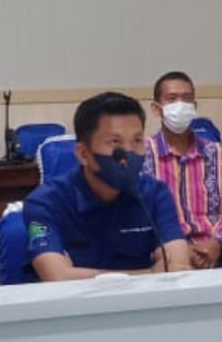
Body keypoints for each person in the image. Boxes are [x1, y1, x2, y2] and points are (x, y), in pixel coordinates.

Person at [23, 92, 191, 281]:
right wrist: (152, 273)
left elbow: (178, 269)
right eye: (115, 142)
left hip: (142, 299)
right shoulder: (43, 203)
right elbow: (58, 277)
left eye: (137, 140)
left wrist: (79, 275)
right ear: (83, 154)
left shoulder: (155, 194)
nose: (128, 152)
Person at [142, 71, 222, 269]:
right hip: (162, 253)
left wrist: (216, 243)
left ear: (194, 107)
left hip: (211, 252)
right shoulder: (142, 156)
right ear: (156, 108)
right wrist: (178, 250)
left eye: (187, 99)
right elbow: (138, 217)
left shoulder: (217, 155)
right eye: (172, 99)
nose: (180, 105)